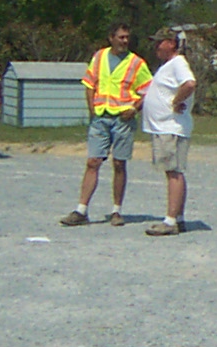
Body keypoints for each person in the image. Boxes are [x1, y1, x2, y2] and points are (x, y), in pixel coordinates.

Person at [61, 23, 152, 227]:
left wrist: (134, 108)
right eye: (121, 37)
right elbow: (89, 83)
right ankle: (81, 210)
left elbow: (148, 90)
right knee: (93, 162)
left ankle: (116, 210)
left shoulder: (136, 63)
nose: (125, 41)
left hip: (123, 119)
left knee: (119, 163)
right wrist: (92, 109)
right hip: (101, 117)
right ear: (111, 38)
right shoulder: (99, 57)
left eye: (127, 37)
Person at [141, 29, 197, 236]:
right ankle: (178, 218)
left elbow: (189, 83)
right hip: (164, 127)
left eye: (159, 42)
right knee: (173, 171)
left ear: (171, 43)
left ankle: (170, 221)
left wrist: (176, 101)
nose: (156, 47)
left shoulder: (178, 63)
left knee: (173, 172)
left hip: (170, 127)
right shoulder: (168, 66)